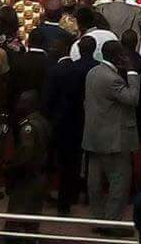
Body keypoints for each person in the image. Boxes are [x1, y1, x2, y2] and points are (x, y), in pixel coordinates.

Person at [83, 40, 140, 222]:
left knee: (95, 183)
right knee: (119, 181)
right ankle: (111, 222)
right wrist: (131, 71)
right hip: (113, 139)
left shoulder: (92, 72)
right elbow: (132, 98)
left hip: (93, 137)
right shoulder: (112, 78)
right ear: (118, 56)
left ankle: (98, 219)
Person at [44, 37, 92, 216]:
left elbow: (48, 99)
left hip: (57, 123)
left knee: (55, 161)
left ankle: (55, 199)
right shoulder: (79, 70)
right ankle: (69, 198)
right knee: (72, 163)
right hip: (77, 121)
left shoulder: (54, 71)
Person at [4, 90, 50, 241]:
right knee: (33, 218)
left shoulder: (28, 127)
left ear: (30, 105)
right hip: (40, 175)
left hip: (27, 178)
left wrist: (12, 170)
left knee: (16, 220)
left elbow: (26, 154)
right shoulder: (43, 122)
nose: (19, 105)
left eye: (22, 102)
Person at [7, 28, 49, 118]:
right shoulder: (50, 63)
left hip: (20, 109)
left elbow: (11, 86)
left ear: (28, 42)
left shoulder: (18, 60)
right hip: (41, 111)